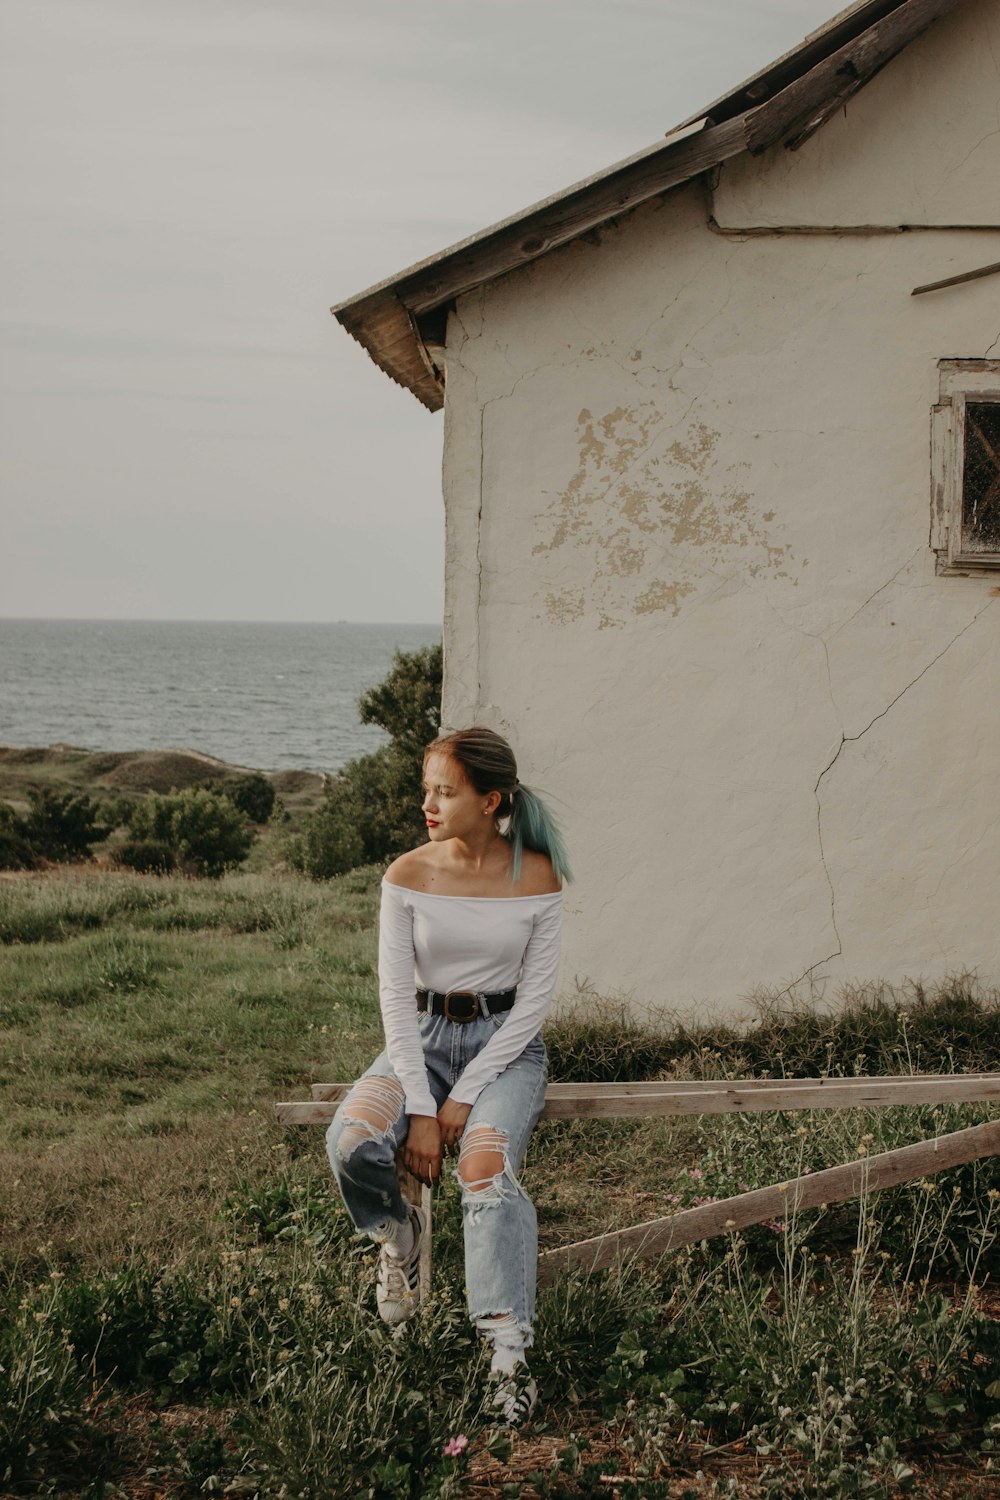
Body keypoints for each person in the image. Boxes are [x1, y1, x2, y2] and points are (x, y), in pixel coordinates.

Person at [326, 725, 570, 1426]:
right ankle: (397, 1234)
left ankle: (508, 1360)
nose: (427, 804)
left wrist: (464, 1097)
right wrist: (426, 1107)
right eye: (425, 789)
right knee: (352, 1141)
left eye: (445, 791)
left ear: (490, 798)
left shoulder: (539, 878)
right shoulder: (406, 875)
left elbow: (532, 1010)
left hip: (506, 1048)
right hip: (420, 1039)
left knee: (485, 1171)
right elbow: (394, 1002)